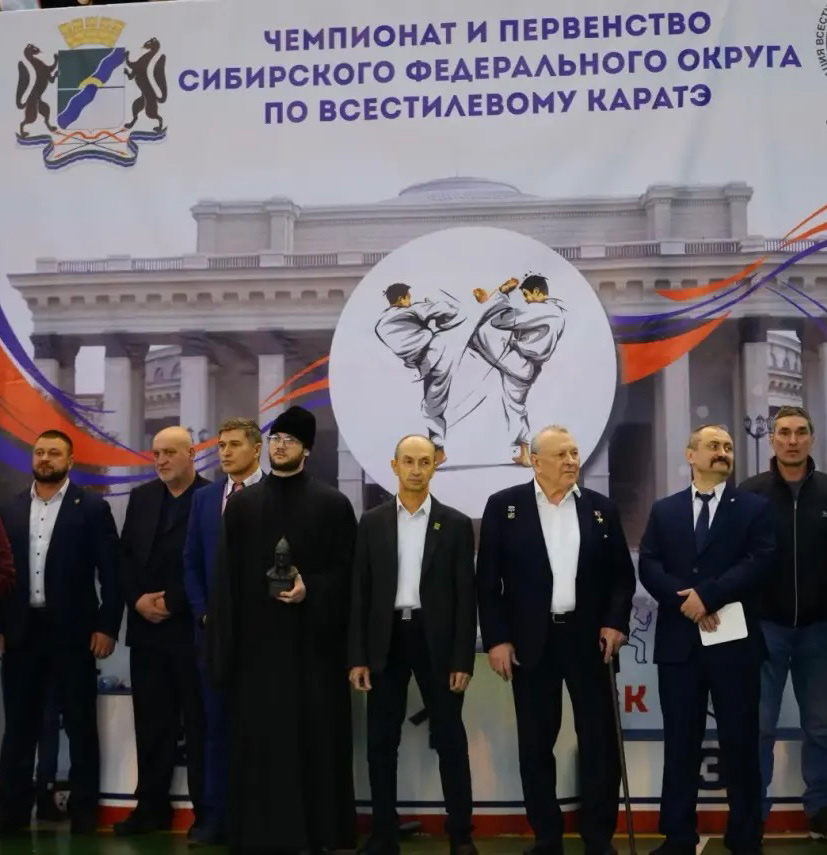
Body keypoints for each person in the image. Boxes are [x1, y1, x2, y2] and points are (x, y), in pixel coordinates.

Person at [477, 425, 635, 855]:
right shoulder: (504, 507)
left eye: (575, 453)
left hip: (590, 641)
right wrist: (497, 640)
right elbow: (487, 583)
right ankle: (546, 837)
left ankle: (598, 836)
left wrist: (615, 623)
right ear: (535, 460)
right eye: (561, 454)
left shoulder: (601, 509)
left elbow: (622, 578)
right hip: (531, 642)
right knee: (535, 743)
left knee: (599, 742)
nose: (571, 461)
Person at [206, 405, 358, 855]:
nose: (280, 446)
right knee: (260, 744)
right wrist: (224, 650)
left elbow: (349, 575)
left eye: (289, 441)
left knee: (315, 743)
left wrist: (313, 588)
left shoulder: (333, 504)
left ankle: (319, 834)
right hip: (257, 652)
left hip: (314, 652)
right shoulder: (243, 505)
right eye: (275, 439)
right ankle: (258, 835)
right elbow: (226, 580)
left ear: (306, 449)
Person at [639, 424, 775, 855]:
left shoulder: (753, 508)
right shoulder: (665, 510)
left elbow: (760, 559)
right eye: (713, 445)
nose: (723, 452)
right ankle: (678, 836)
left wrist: (708, 596)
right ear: (690, 455)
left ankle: (745, 837)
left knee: (741, 742)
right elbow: (649, 564)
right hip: (679, 645)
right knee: (680, 743)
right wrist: (686, 601)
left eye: (728, 447)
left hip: (734, 646)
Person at [349, 435, 478, 855]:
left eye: (424, 461)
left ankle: (461, 835)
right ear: (394, 466)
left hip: (436, 640)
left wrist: (462, 659)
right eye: (408, 461)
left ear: (435, 465)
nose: (416, 469)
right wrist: (358, 656)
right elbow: (360, 592)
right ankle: (384, 833)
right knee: (381, 742)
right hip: (385, 639)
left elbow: (466, 597)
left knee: (450, 740)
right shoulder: (372, 522)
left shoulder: (455, 524)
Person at [0, 429, 122, 834]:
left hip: (74, 632)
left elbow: (111, 573)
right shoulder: (10, 507)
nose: (45, 458)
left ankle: (84, 813)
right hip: (21, 632)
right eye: (40, 452)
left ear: (69, 461)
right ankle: (13, 812)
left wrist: (107, 626)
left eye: (54, 453)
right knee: (19, 727)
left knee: (80, 724)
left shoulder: (91, 508)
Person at [115, 426, 208, 837]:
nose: (161, 460)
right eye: (156, 454)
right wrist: (136, 599)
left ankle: (207, 813)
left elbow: (210, 561)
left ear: (192, 453)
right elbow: (125, 556)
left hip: (190, 630)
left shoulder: (211, 498)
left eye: (170, 452)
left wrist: (173, 601)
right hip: (146, 630)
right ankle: (150, 810)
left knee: (200, 726)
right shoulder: (142, 497)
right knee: (151, 726)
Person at [739, 406, 827, 837]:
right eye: (784, 433)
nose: (793, 440)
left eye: (800, 432)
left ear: (812, 438)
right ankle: (752, 813)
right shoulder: (749, 493)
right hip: (765, 628)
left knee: (822, 727)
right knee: (758, 727)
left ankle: (821, 809)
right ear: (772, 439)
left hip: (820, 629)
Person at [183, 417, 263, 846]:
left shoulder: (276, 495)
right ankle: (214, 818)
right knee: (216, 729)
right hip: (213, 636)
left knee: (262, 730)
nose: (225, 452)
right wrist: (202, 612)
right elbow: (191, 561)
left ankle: (260, 818)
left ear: (257, 448)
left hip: (264, 638)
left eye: (234, 444)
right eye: (222, 445)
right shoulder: (205, 499)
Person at [470, 275, 565, 466]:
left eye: (527, 295)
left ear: (537, 291)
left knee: (479, 333)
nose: (527, 300)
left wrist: (501, 295)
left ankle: (487, 304)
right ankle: (525, 453)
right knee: (515, 406)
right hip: (527, 366)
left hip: (519, 361)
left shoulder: (541, 310)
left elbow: (500, 321)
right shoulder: (557, 313)